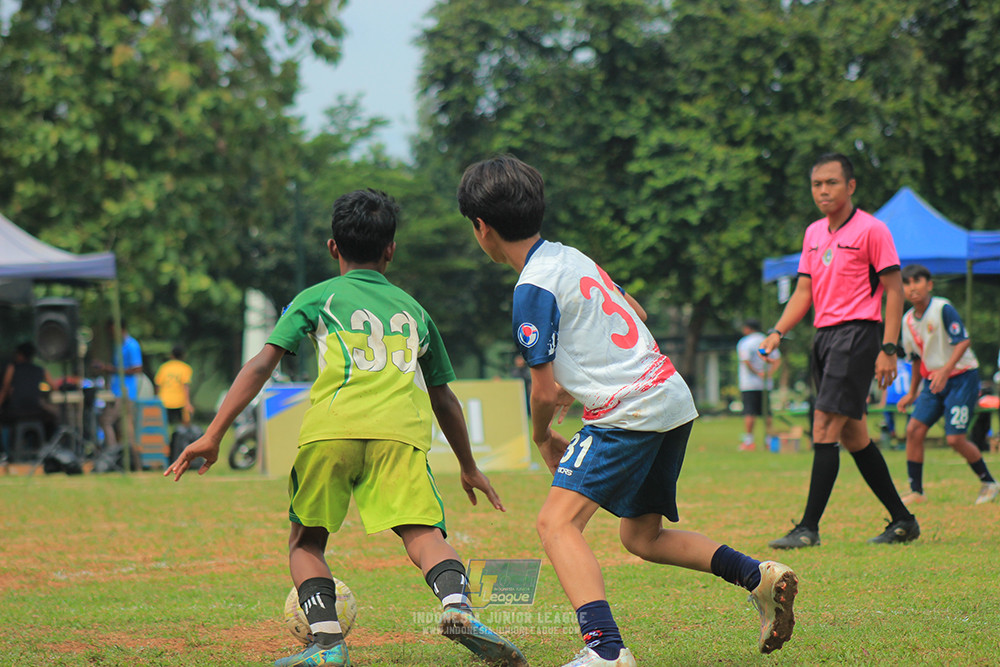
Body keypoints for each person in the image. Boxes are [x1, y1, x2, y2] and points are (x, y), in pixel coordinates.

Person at [458, 155, 798, 667]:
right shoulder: (572, 257)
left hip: (629, 410)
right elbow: (633, 311)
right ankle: (758, 577)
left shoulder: (532, 287)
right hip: (669, 395)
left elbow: (542, 392)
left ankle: (606, 650)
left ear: (482, 227)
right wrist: (581, 375)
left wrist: (542, 436)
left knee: (555, 524)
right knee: (642, 537)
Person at [166, 189, 526, 667]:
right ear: (390, 250)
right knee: (423, 535)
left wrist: (213, 433)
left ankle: (328, 642)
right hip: (399, 436)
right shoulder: (414, 310)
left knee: (306, 542)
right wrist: (468, 465)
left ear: (333, 247)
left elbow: (261, 365)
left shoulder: (317, 298)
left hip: (330, 433)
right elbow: (444, 397)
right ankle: (457, 606)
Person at [760, 152, 919, 549]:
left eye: (831, 182)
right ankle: (903, 520)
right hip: (824, 337)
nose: (823, 191)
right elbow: (804, 291)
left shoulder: (873, 230)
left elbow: (895, 291)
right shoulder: (813, 233)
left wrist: (889, 347)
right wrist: (777, 331)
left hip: (858, 334)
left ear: (850, 186)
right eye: (817, 184)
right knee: (853, 435)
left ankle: (808, 528)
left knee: (824, 426)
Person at [895, 264, 999, 505]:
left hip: (962, 377)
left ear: (929, 285)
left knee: (955, 439)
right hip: (934, 380)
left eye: (917, 281)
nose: (912, 288)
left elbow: (963, 341)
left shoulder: (942, 308)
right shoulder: (907, 321)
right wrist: (912, 392)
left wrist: (946, 370)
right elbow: (916, 359)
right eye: (906, 283)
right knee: (913, 430)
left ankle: (989, 482)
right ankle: (916, 491)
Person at [0, 342, 59, 460]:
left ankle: (5, 453)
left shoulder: (12, 368)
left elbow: (5, 389)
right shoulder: (40, 370)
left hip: (15, 412)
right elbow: (54, 387)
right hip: (36, 411)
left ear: (20, 355)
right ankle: (47, 449)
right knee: (52, 419)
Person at [93, 318, 143, 449]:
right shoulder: (118, 345)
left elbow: (137, 368)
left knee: (106, 420)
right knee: (124, 427)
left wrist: (111, 369)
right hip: (116, 392)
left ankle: (112, 452)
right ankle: (129, 455)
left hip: (125, 392)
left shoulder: (131, 345)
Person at [736, 319, 781, 451]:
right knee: (767, 413)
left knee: (749, 412)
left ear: (747, 328)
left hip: (749, 384)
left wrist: (757, 373)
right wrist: (768, 374)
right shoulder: (766, 340)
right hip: (765, 384)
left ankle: (749, 441)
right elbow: (777, 359)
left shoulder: (745, 342)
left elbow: (746, 360)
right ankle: (768, 441)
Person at [154, 345, 194, 426]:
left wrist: (156, 399)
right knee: (185, 425)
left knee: (163, 425)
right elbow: (185, 386)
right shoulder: (186, 368)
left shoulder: (164, 367)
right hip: (180, 401)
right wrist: (188, 403)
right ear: (183, 355)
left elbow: (158, 385)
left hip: (164, 400)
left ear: (171, 355)